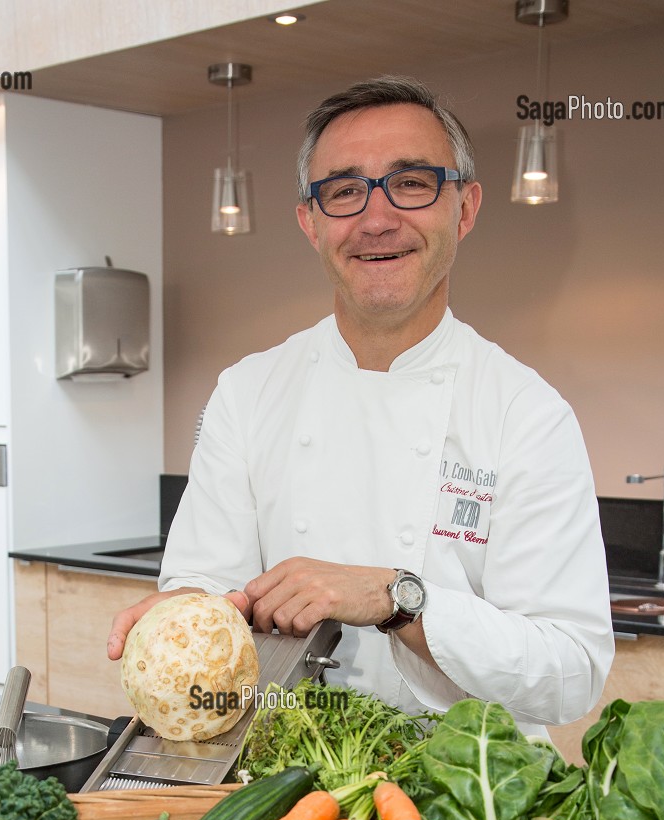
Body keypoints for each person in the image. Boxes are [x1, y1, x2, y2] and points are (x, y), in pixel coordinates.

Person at [107, 75, 614, 733]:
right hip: (285, 785)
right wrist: (179, 615)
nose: (376, 220)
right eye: (344, 191)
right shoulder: (248, 391)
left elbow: (568, 676)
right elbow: (205, 583)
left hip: (467, 796)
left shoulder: (526, 415)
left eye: (411, 183)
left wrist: (395, 600)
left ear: (463, 208)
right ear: (309, 222)